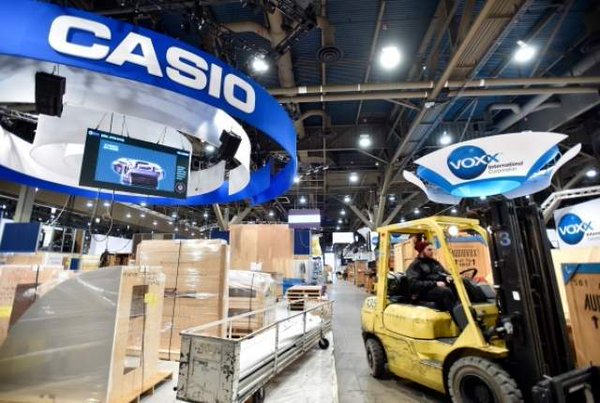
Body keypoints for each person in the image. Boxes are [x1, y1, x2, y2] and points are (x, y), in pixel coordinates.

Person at [405, 241, 457, 314]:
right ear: (422, 251)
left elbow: (444, 272)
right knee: (445, 291)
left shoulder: (434, 263)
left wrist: (448, 276)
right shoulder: (415, 265)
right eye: (429, 250)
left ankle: (470, 311)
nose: (432, 252)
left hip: (436, 288)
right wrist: (435, 283)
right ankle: (456, 316)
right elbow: (414, 284)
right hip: (423, 292)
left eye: (432, 249)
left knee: (462, 283)